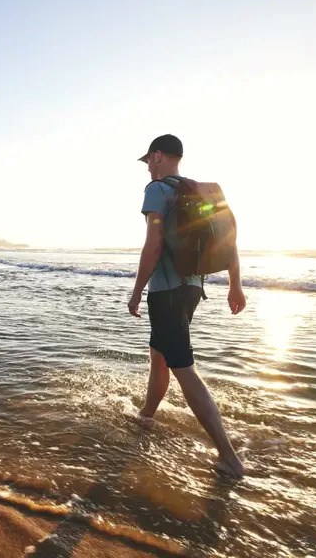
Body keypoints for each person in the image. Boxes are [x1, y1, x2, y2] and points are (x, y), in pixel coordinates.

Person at [128, 134, 246, 477]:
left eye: (149, 159)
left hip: (165, 292)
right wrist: (235, 284)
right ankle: (146, 417)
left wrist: (137, 291)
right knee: (159, 355)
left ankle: (229, 456)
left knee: (183, 367)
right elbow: (229, 240)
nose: (148, 166)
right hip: (193, 288)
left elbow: (152, 246)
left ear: (160, 156)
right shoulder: (199, 191)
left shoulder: (158, 190)